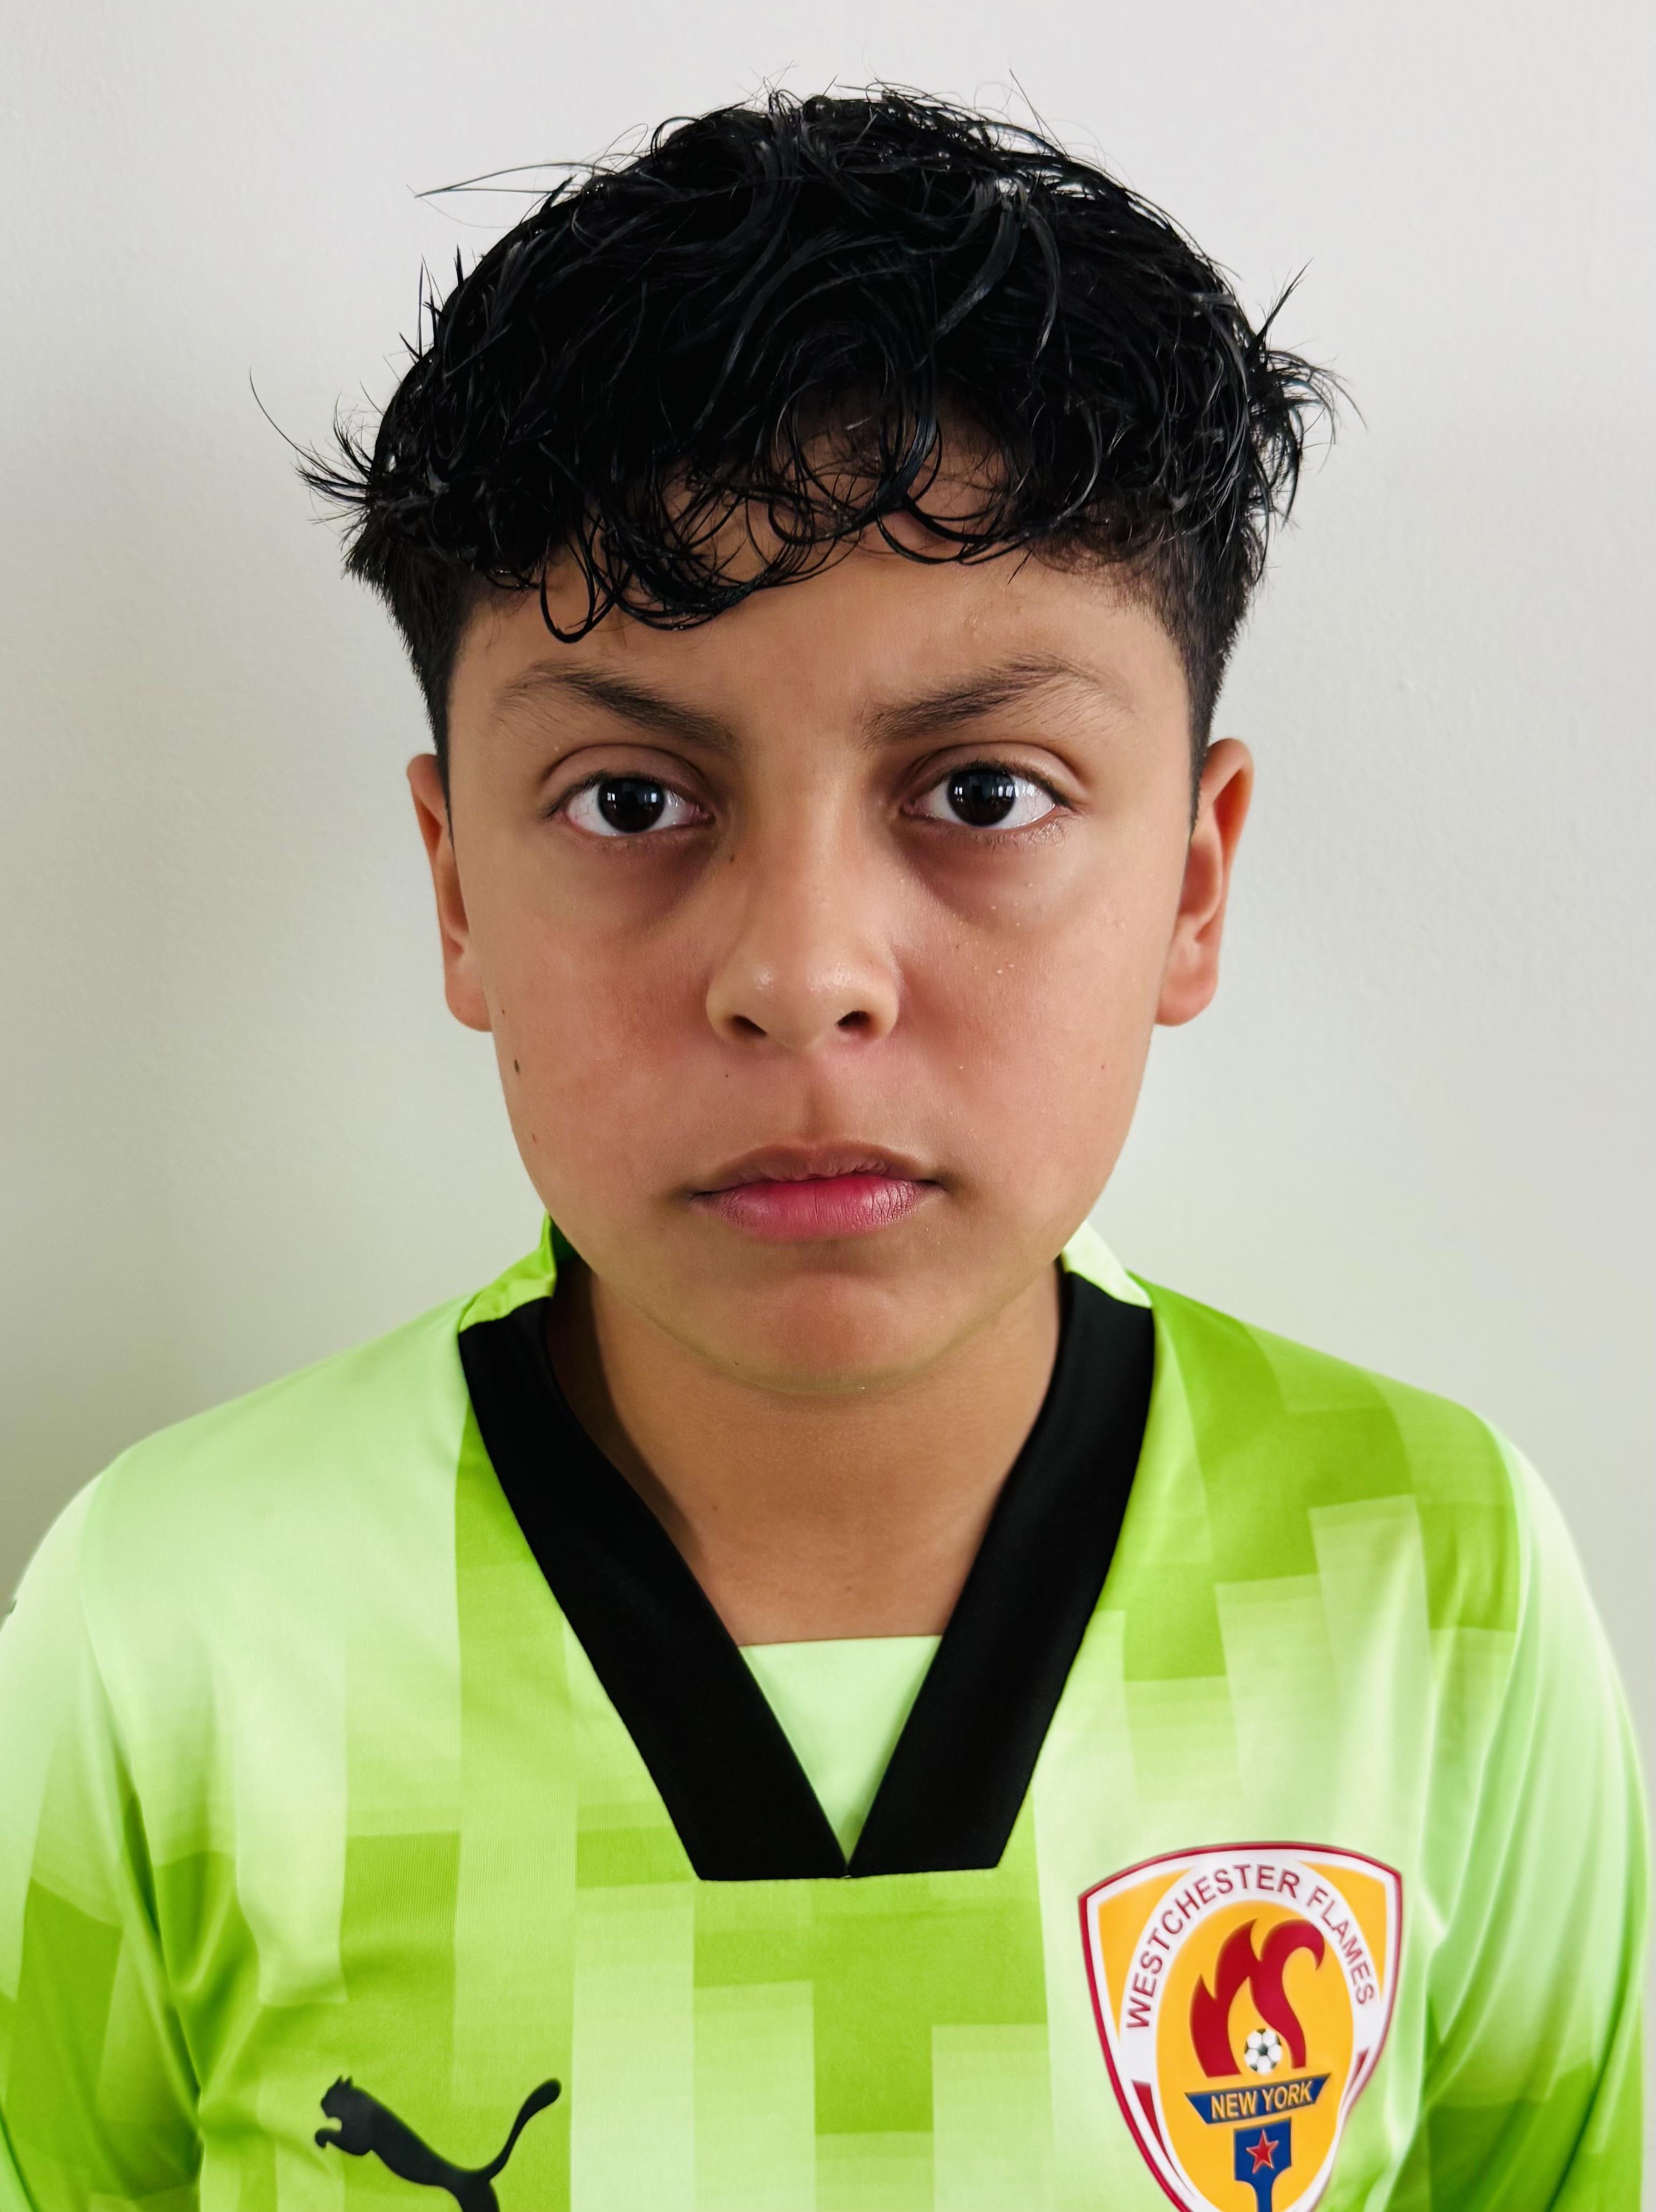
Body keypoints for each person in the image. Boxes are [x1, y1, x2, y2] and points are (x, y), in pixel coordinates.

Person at [0, 86, 1644, 2212]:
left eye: (981, 793)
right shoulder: (177, 1621)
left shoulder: (1427, 1575)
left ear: (1192, 879)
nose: (802, 976)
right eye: (629, 801)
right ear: (457, 889)